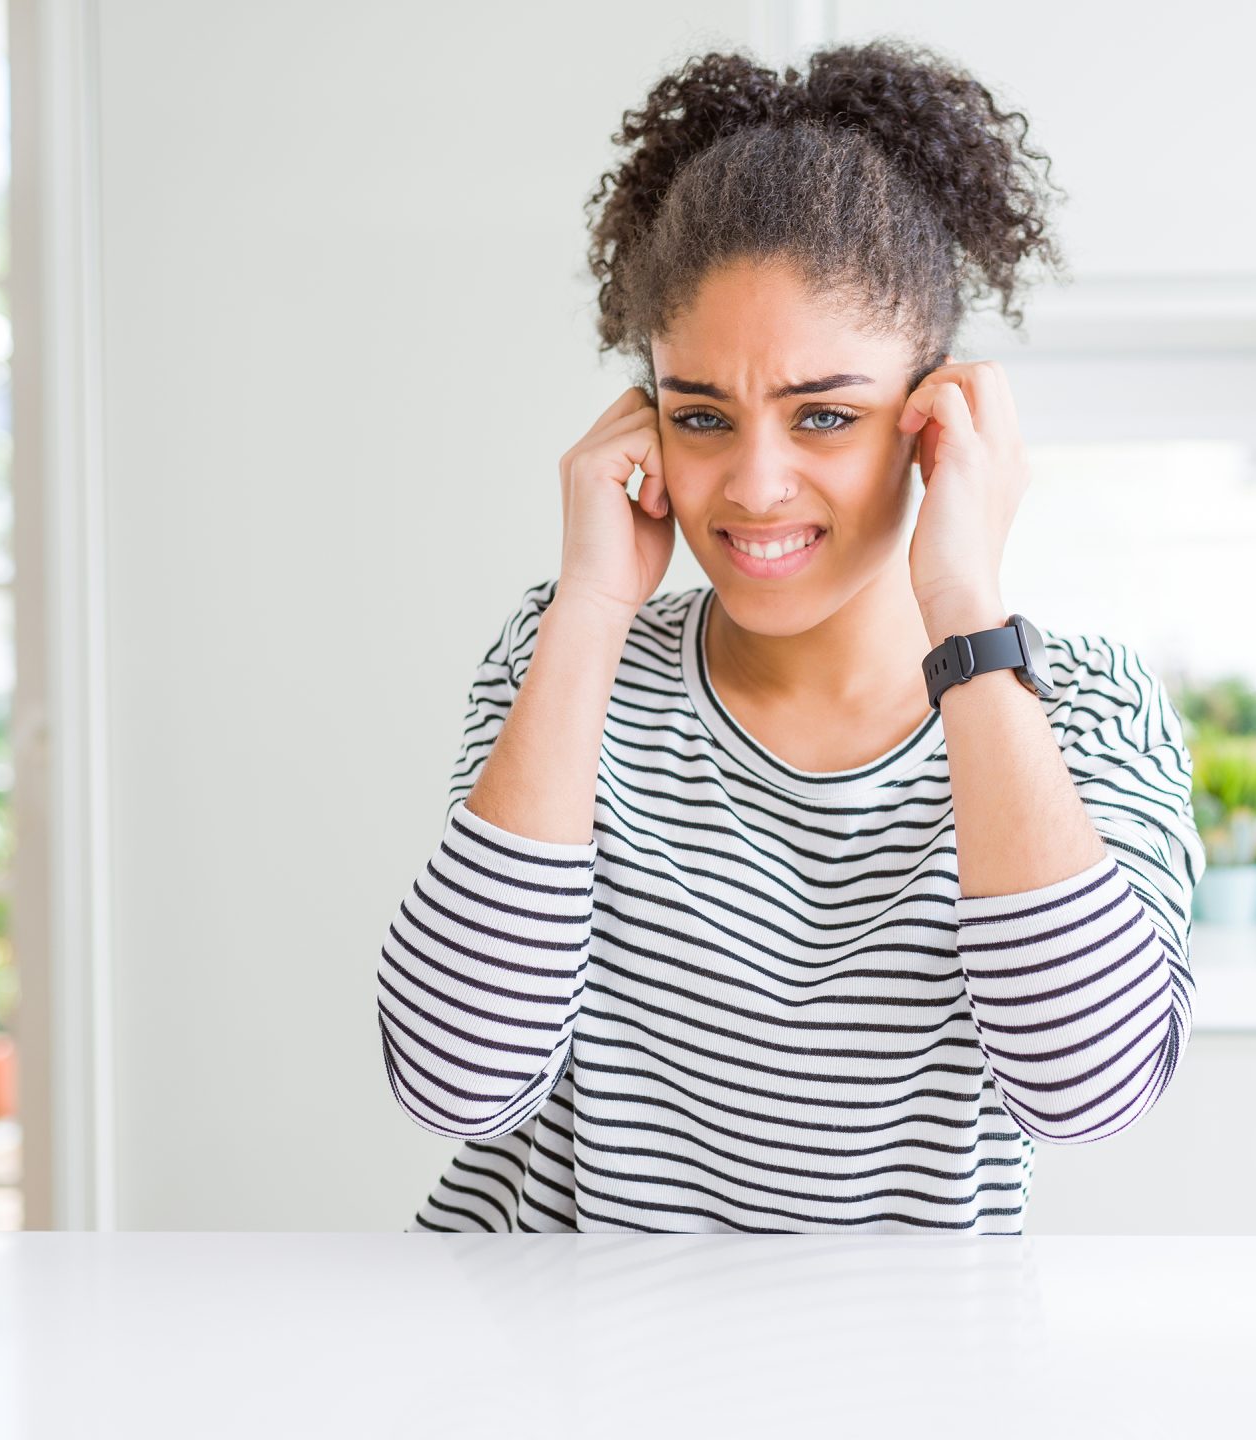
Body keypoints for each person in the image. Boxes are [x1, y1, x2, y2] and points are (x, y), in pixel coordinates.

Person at [376, 38, 1203, 1233]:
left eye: (824, 414)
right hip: (549, 1377)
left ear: (933, 423)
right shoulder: (561, 659)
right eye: (701, 415)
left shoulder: (1081, 708)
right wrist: (591, 609)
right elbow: (455, 1082)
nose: (754, 486)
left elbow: (1090, 1092)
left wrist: (965, 607)